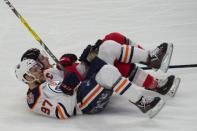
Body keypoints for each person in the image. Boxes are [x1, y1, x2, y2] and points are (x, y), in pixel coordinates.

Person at [20, 32, 180, 97]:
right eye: (42, 58)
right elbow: (70, 86)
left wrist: (84, 58)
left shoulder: (53, 71)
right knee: (111, 47)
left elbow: (74, 71)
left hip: (88, 71)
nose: (46, 58)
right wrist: (71, 65)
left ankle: (154, 76)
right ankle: (150, 61)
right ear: (36, 66)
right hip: (89, 83)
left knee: (113, 38)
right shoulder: (48, 81)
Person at [15, 58, 165, 119]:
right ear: (27, 78)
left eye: (38, 66)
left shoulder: (46, 78)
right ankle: (142, 102)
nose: (40, 69)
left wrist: (81, 64)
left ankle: (143, 98)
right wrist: (69, 89)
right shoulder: (34, 99)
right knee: (107, 72)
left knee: (102, 64)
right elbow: (63, 112)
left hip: (84, 92)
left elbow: (71, 79)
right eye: (34, 69)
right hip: (83, 105)